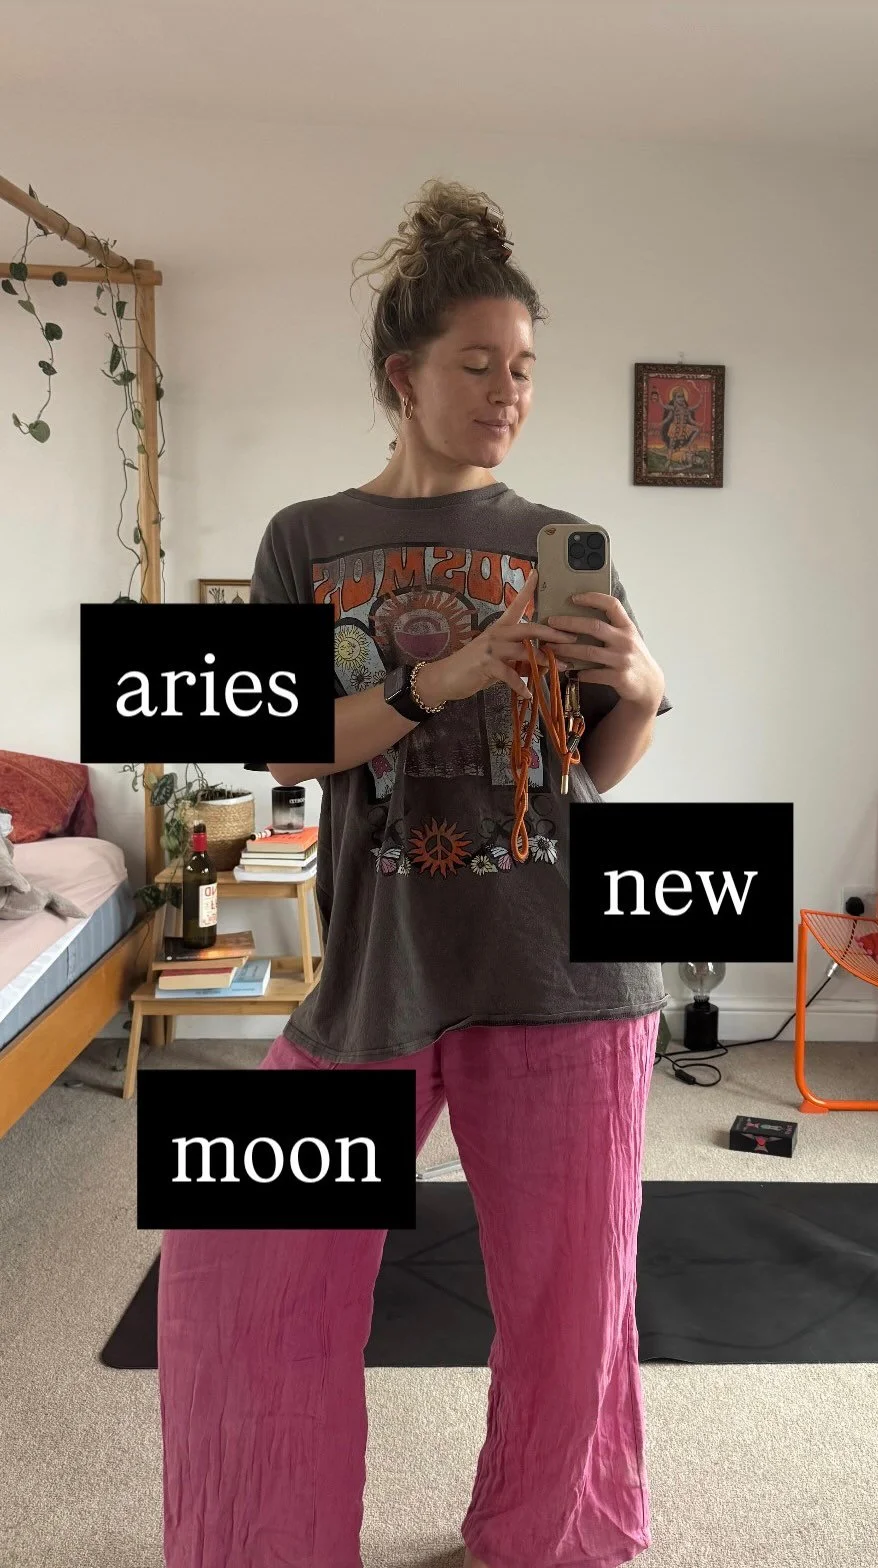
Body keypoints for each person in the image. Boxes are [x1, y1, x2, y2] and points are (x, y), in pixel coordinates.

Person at [158, 177, 673, 1568]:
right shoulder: (304, 538)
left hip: (564, 969)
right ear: (403, 374)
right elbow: (289, 748)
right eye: (478, 364)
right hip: (380, 971)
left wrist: (643, 689)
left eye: (525, 369)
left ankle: (546, 1537)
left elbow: (591, 771)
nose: (509, 393)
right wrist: (438, 679)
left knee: (571, 1306)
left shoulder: (561, 538)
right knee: (240, 1267)